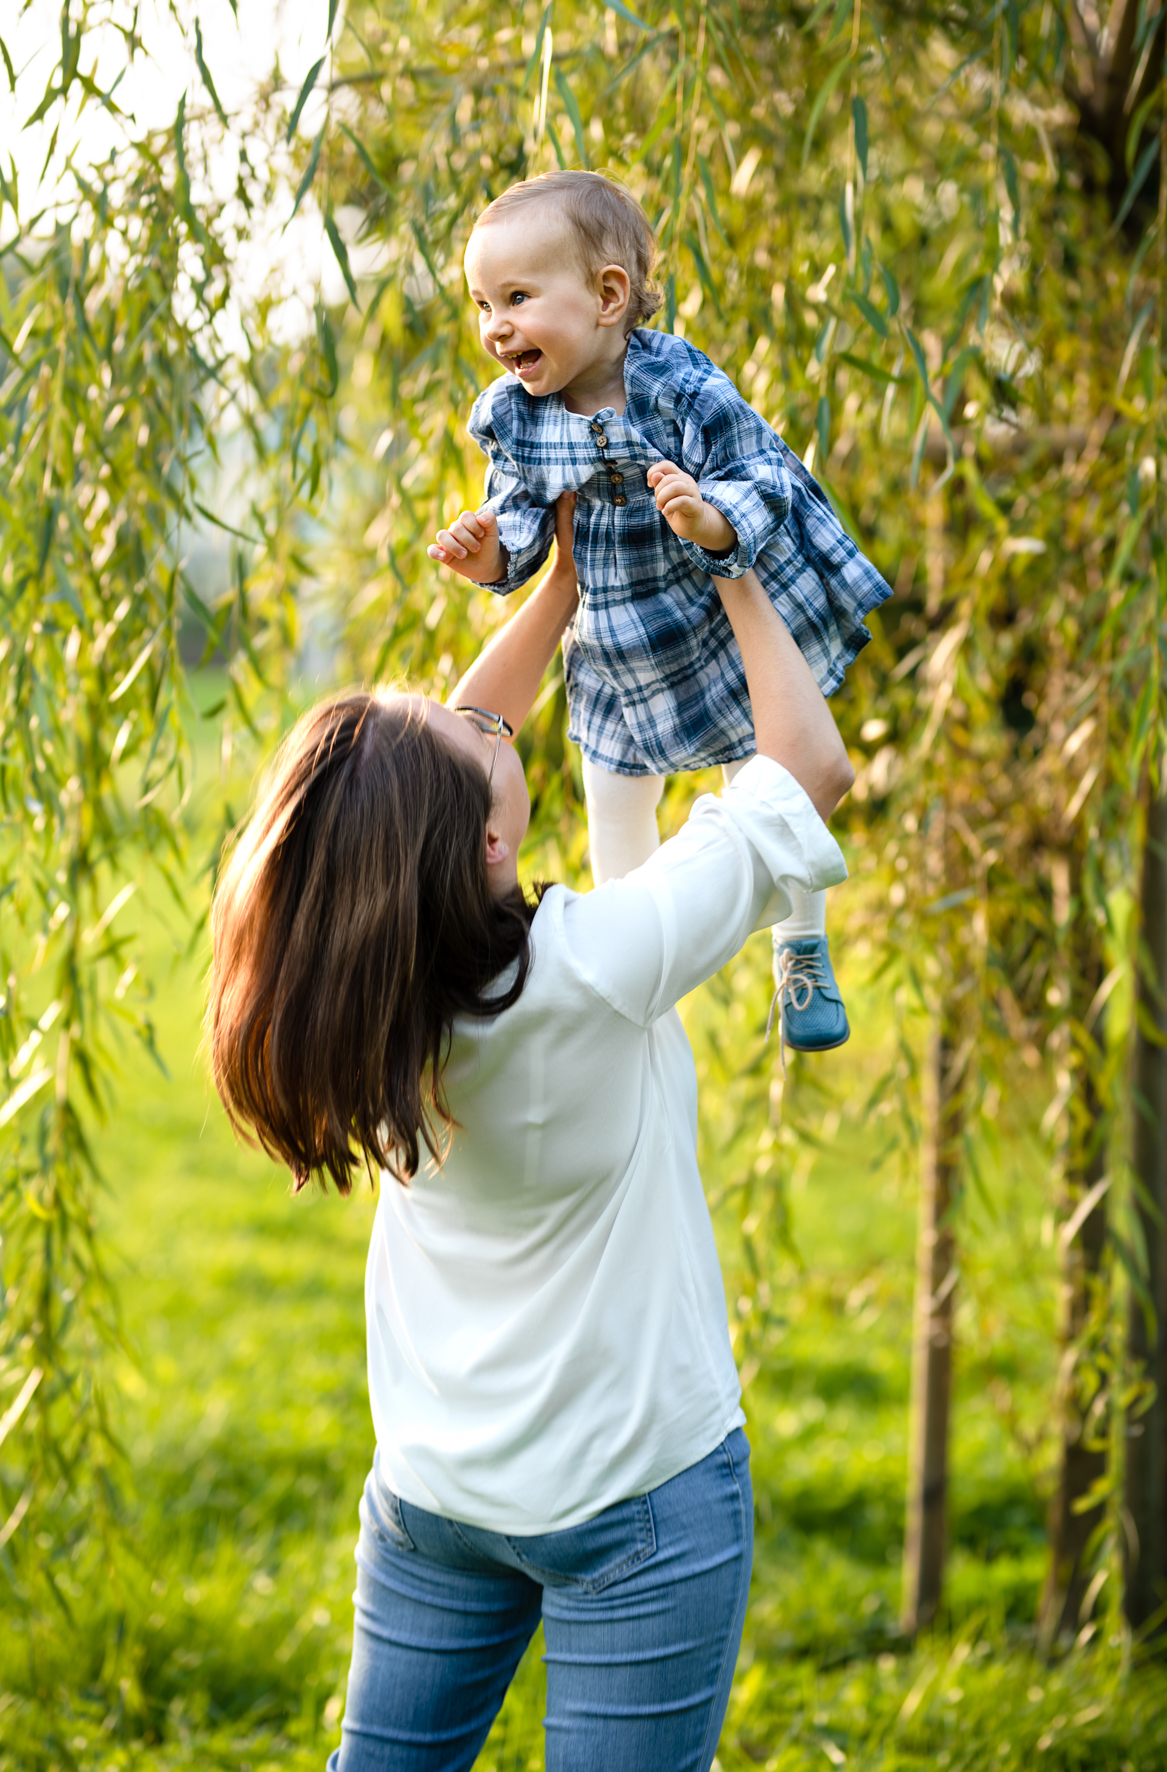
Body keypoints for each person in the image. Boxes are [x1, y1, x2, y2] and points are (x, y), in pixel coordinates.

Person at [205, 496, 853, 1772]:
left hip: (437, 1494)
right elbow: (807, 769)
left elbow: (427, 796)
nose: (478, 711)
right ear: (489, 840)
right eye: (465, 730)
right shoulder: (597, 965)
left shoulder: (369, 1007)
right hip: (635, 1502)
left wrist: (560, 584)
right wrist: (731, 564)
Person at [427, 169, 889, 1055]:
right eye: (482, 304)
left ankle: (800, 943)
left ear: (608, 297)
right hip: (613, 644)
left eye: (516, 298)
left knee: (772, 778)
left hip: (716, 629)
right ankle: (632, 959)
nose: (494, 327)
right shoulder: (515, 418)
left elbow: (762, 469)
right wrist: (492, 555)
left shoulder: (680, 384)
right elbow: (521, 515)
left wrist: (711, 519)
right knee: (612, 799)